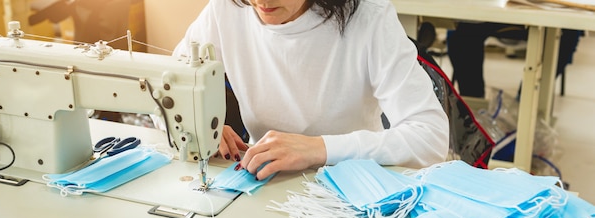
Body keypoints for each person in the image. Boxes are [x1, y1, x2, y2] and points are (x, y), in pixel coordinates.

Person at [173, 0, 449, 180]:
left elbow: (431, 137)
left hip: (353, 184)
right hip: (263, 181)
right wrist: (198, 123)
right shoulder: (226, 10)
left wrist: (319, 149)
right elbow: (172, 86)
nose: (261, 2)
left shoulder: (369, 17)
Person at [447, 22, 582, 98]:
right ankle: (472, 100)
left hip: (542, 13)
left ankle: (528, 99)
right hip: (491, 13)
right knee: (459, 29)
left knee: (568, 32)